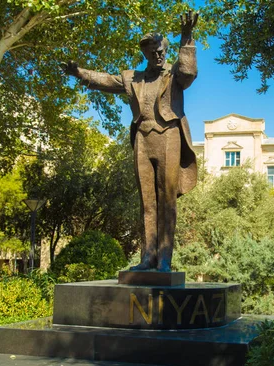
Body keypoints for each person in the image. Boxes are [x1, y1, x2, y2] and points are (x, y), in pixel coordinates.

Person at [63, 11, 199, 272]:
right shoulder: (133, 78)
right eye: (154, 52)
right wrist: (79, 72)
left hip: (169, 136)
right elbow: (106, 80)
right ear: (146, 53)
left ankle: (165, 260)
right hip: (142, 140)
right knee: (147, 202)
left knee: (167, 199)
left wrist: (187, 37)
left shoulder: (175, 76)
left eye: (162, 51)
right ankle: (148, 257)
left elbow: (189, 71)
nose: (159, 56)